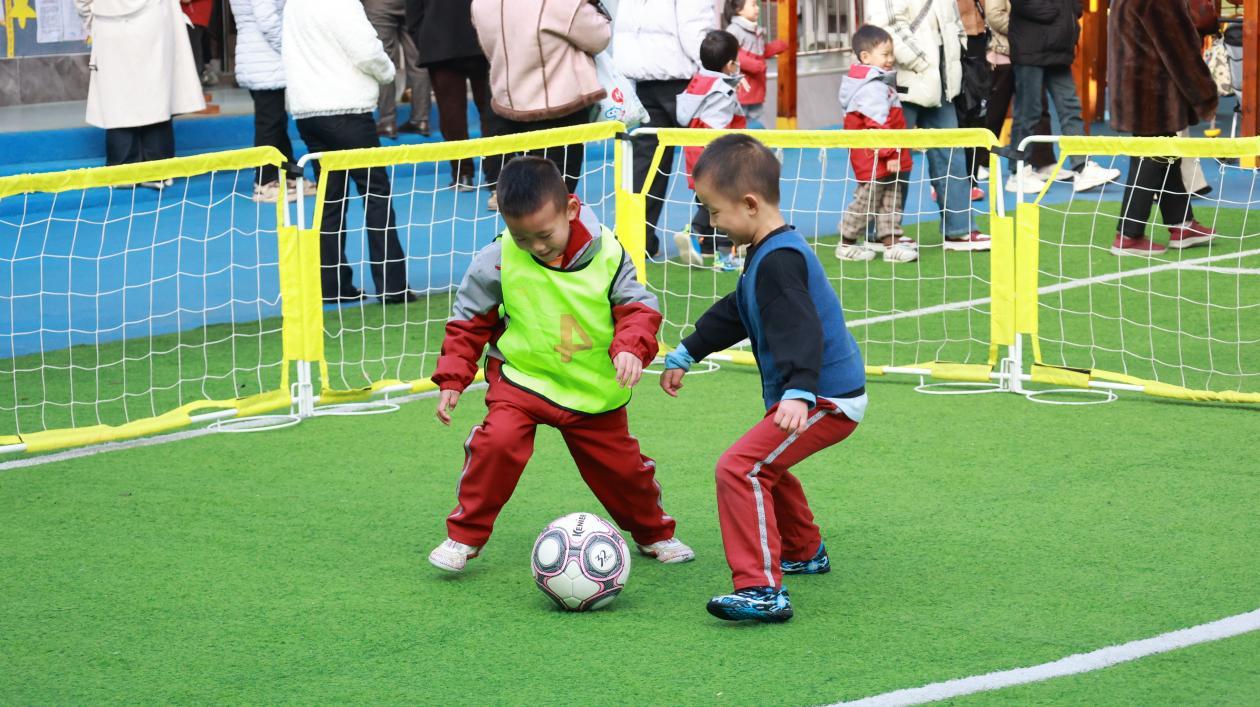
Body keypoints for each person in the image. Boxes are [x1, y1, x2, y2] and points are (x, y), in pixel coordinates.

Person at [427, 156, 695, 573]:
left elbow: (638, 308)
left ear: (571, 210)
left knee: (624, 472)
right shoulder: (495, 257)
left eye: (544, 234)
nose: (535, 246)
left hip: (592, 389)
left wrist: (630, 347)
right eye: (522, 237)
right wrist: (453, 378)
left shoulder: (608, 252)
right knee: (494, 446)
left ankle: (653, 533)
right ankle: (464, 537)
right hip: (523, 380)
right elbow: (467, 321)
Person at [659, 134, 866, 623]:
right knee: (765, 464)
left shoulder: (779, 259)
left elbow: (801, 326)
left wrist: (798, 390)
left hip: (825, 396)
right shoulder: (765, 252)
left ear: (749, 204)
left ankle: (761, 589)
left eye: (713, 211)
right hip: (815, 392)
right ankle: (804, 550)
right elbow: (738, 309)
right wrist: (689, 350)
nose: (710, 222)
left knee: (739, 468)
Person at [283, 0, 414, 304]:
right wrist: (388, 72)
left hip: (307, 112)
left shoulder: (294, 4)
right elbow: (367, 51)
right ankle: (392, 286)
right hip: (347, 110)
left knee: (330, 199)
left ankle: (332, 285)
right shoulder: (342, 3)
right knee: (376, 193)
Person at [866, 0, 991, 252]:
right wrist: (923, 61)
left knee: (951, 154)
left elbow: (953, 21)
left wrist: (947, 59)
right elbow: (886, 26)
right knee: (894, 159)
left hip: (938, 78)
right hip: (906, 80)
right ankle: (881, 232)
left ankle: (959, 229)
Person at [470, 0, 611, 208]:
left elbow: (487, 46)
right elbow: (600, 36)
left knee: (521, 209)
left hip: (507, 104)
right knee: (555, 203)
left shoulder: (481, 4)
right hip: (558, 107)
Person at [1108, 0, 1218, 255]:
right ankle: (1129, 234)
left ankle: (1182, 224)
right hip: (1151, 89)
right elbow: (1179, 49)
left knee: (1164, 153)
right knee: (1152, 156)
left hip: (1135, 84)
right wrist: (1205, 93)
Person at [614, 0, 717, 258]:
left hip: (645, 77)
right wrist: (716, 65)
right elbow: (693, 27)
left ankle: (636, 238)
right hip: (685, 78)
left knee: (647, 162)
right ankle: (706, 233)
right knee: (711, 153)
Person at [75, 0, 205, 182]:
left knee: (116, 96)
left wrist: (91, 16)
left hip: (109, 20)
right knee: (155, 93)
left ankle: (122, 168)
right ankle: (157, 168)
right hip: (154, 17)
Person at [1004, 0, 1120, 194]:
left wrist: (1070, 10)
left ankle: (1082, 166)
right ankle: (1018, 172)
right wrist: (1061, 11)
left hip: (1057, 47)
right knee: (1028, 112)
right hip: (1032, 46)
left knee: (1070, 107)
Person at [835, 25, 916, 264]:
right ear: (865, 57)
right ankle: (847, 242)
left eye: (891, 53)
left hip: (884, 154)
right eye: (885, 54)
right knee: (867, 199)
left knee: (892, 198)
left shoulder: (879, 82)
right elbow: (878, 125)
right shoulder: (870, 88)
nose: (890, 59)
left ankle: (891, 243)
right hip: (873, 156)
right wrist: (891, 153)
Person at [673, 30, 747, 271]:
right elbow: (718, 127)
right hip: (715, 156)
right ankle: (720, 251)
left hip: (695, 155)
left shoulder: (698, 82)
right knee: (726, 203)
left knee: (706, 201)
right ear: (729, 65)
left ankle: (705, 244)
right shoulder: (720, 91)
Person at [406, 0, 493, 191]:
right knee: (490, 111)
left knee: (451, 113)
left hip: (440, 41)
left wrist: (424, 39)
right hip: (482, 37)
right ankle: (495, 173)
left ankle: (463, 173)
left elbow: (413, 11)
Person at [228, 0, 310, 203]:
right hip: (264, 59)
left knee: (275, 121)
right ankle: (264, 183)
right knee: (269, 124)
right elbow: (267, 19)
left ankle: (290, 175)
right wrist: (291, 48)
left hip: (261, 58)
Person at [983, 0, 1058, 186]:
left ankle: (1042, 161)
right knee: (995, 111)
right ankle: (981, 161)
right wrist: (1027, 31)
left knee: (1036, 107)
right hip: (1004, 52)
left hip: (1029, 52)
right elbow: (994, 15)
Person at [363, 0, 431, 139]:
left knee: (383, 60)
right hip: (411, 4)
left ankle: (387, 122)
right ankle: (420, 120)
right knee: (418, 59)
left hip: (378, 4)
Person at [723, 0, 787, 126]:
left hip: (756, 88)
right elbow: (730, 54)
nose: (757, 8)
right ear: (738, 9)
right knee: (739, 122)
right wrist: (754, 65)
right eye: (753, 5)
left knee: (755, 122)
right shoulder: (734, 30)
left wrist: (777, 47)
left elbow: (760, 53)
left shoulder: (755, 29)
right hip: (741, 89)